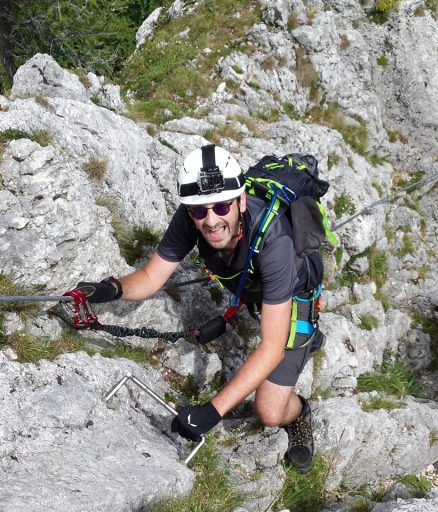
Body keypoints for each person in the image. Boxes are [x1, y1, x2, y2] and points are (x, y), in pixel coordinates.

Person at [64, 144, 325, 472]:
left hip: (295, 293)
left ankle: (300, 412)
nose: (211, 220)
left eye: (220, 206)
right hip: (257, 285)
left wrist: (211, 412)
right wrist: (111, 289)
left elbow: (271, 348)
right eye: (200, 210)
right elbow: (150, 277)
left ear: (241, 200)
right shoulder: (191, 218)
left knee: (270, 412)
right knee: (261, 302)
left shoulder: (275, 241)